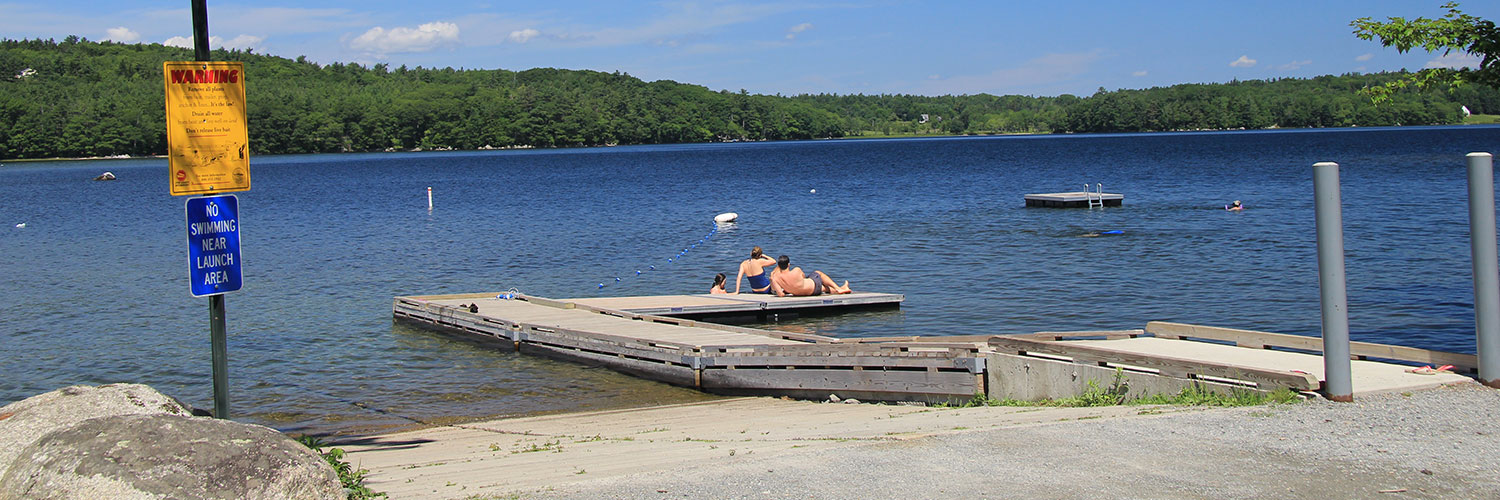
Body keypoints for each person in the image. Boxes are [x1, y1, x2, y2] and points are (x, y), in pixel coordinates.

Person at [769, 255, 852, 296]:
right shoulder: (796, 270)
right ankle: (838, 288)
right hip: (813, 289)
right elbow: (803, 276)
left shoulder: (776, 278)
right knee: (818, 273)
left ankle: (842, 288)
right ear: (789, 265)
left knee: (825, 288)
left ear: (778, 266)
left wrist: (773, 276)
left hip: (800, 293)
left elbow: (781, 294)